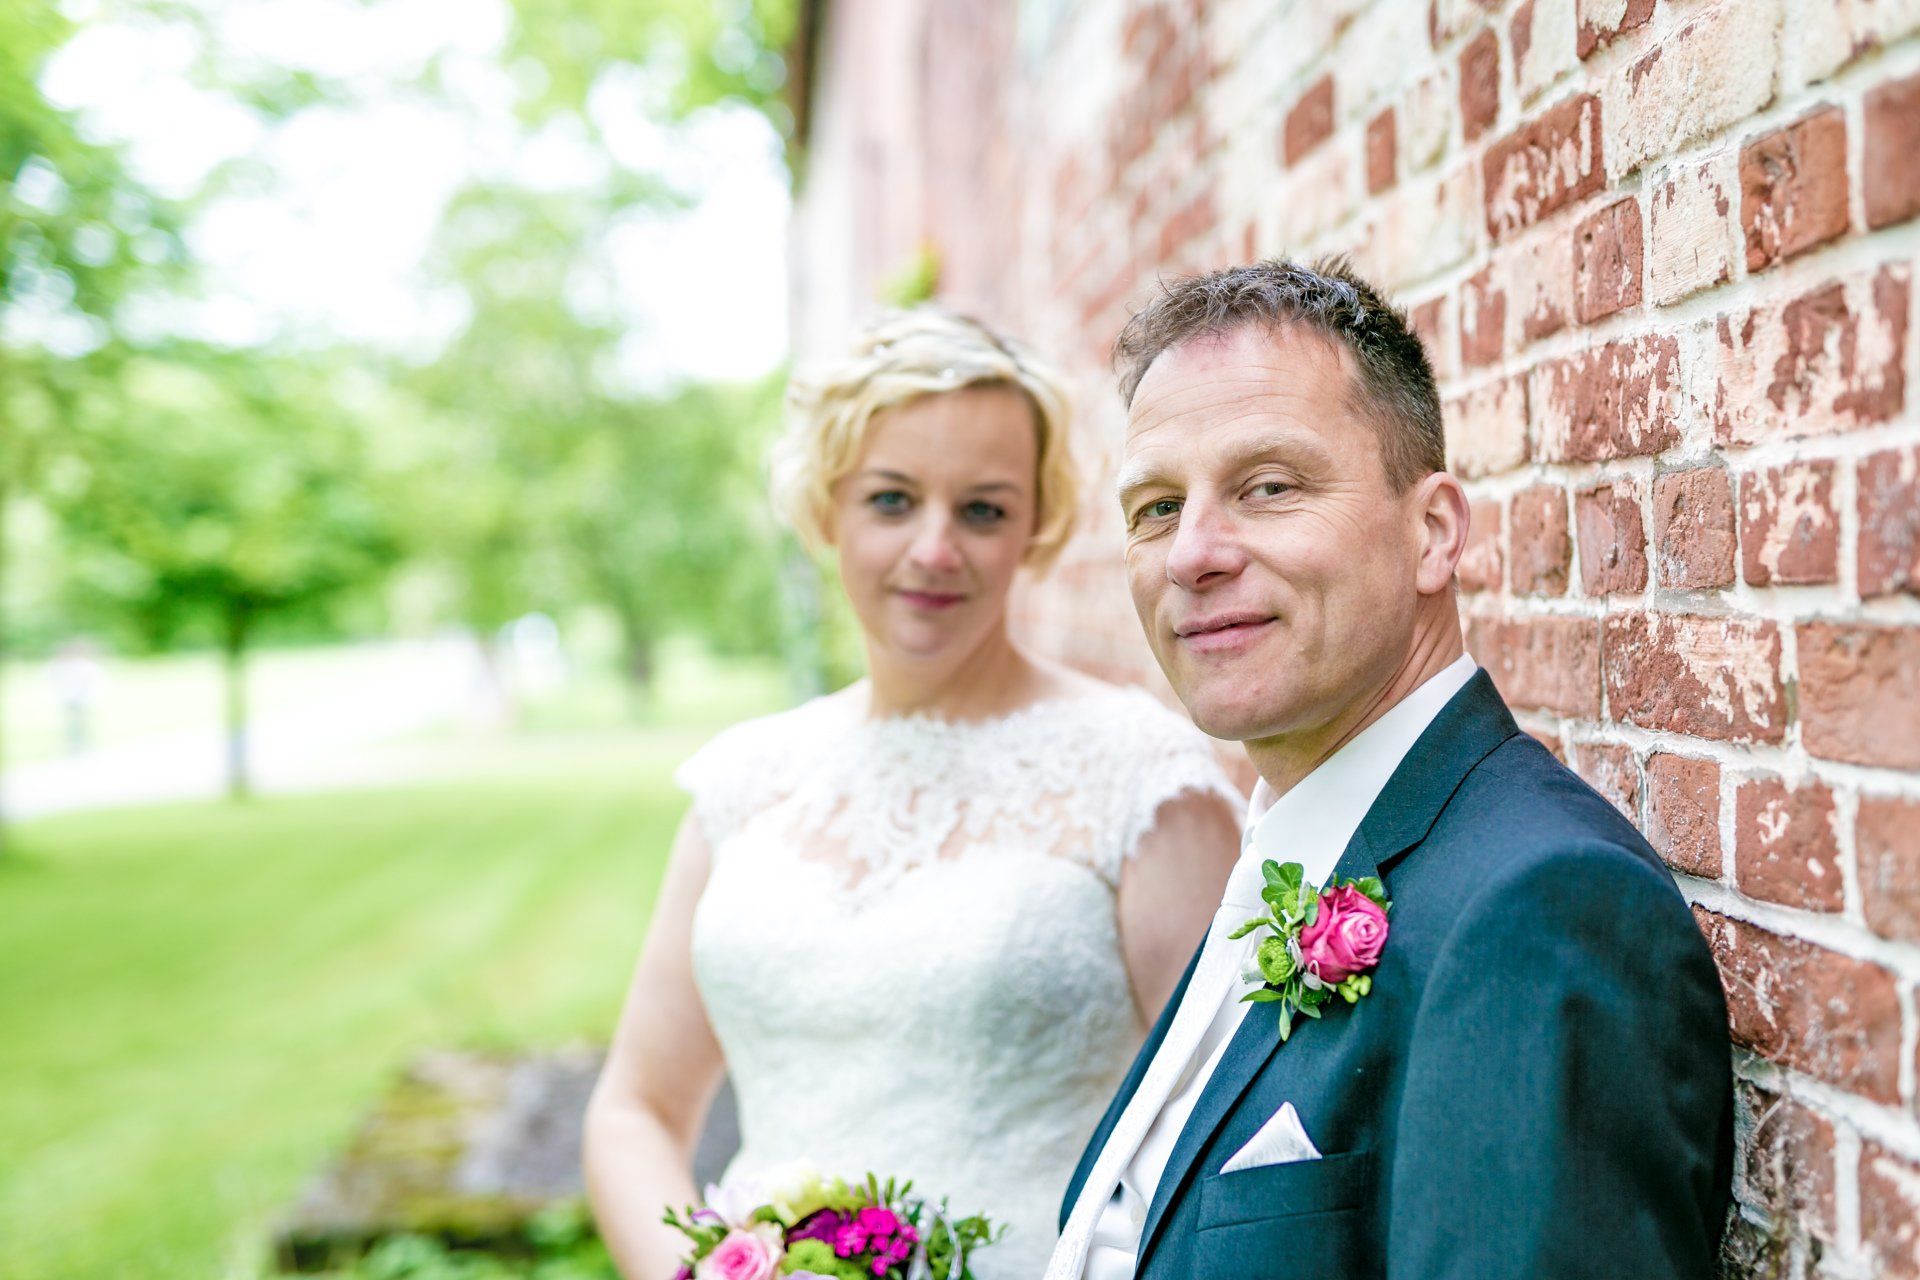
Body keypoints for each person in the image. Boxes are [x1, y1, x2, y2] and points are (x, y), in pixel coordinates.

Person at [1047, 258, 1734, 1280]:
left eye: (1267, 486)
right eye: (1153, 507)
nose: (1191, 552)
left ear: (1433, 532)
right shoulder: (1286, 849)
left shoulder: (1538, 912)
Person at [582, 308, 1244, 1280]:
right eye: (892, 500)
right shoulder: (743, 780)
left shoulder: (1145, 777)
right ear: (828, 508)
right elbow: (633, 1108)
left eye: (982, 509)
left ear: (1033, 526)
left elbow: (1231, 1145)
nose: (935, 549)